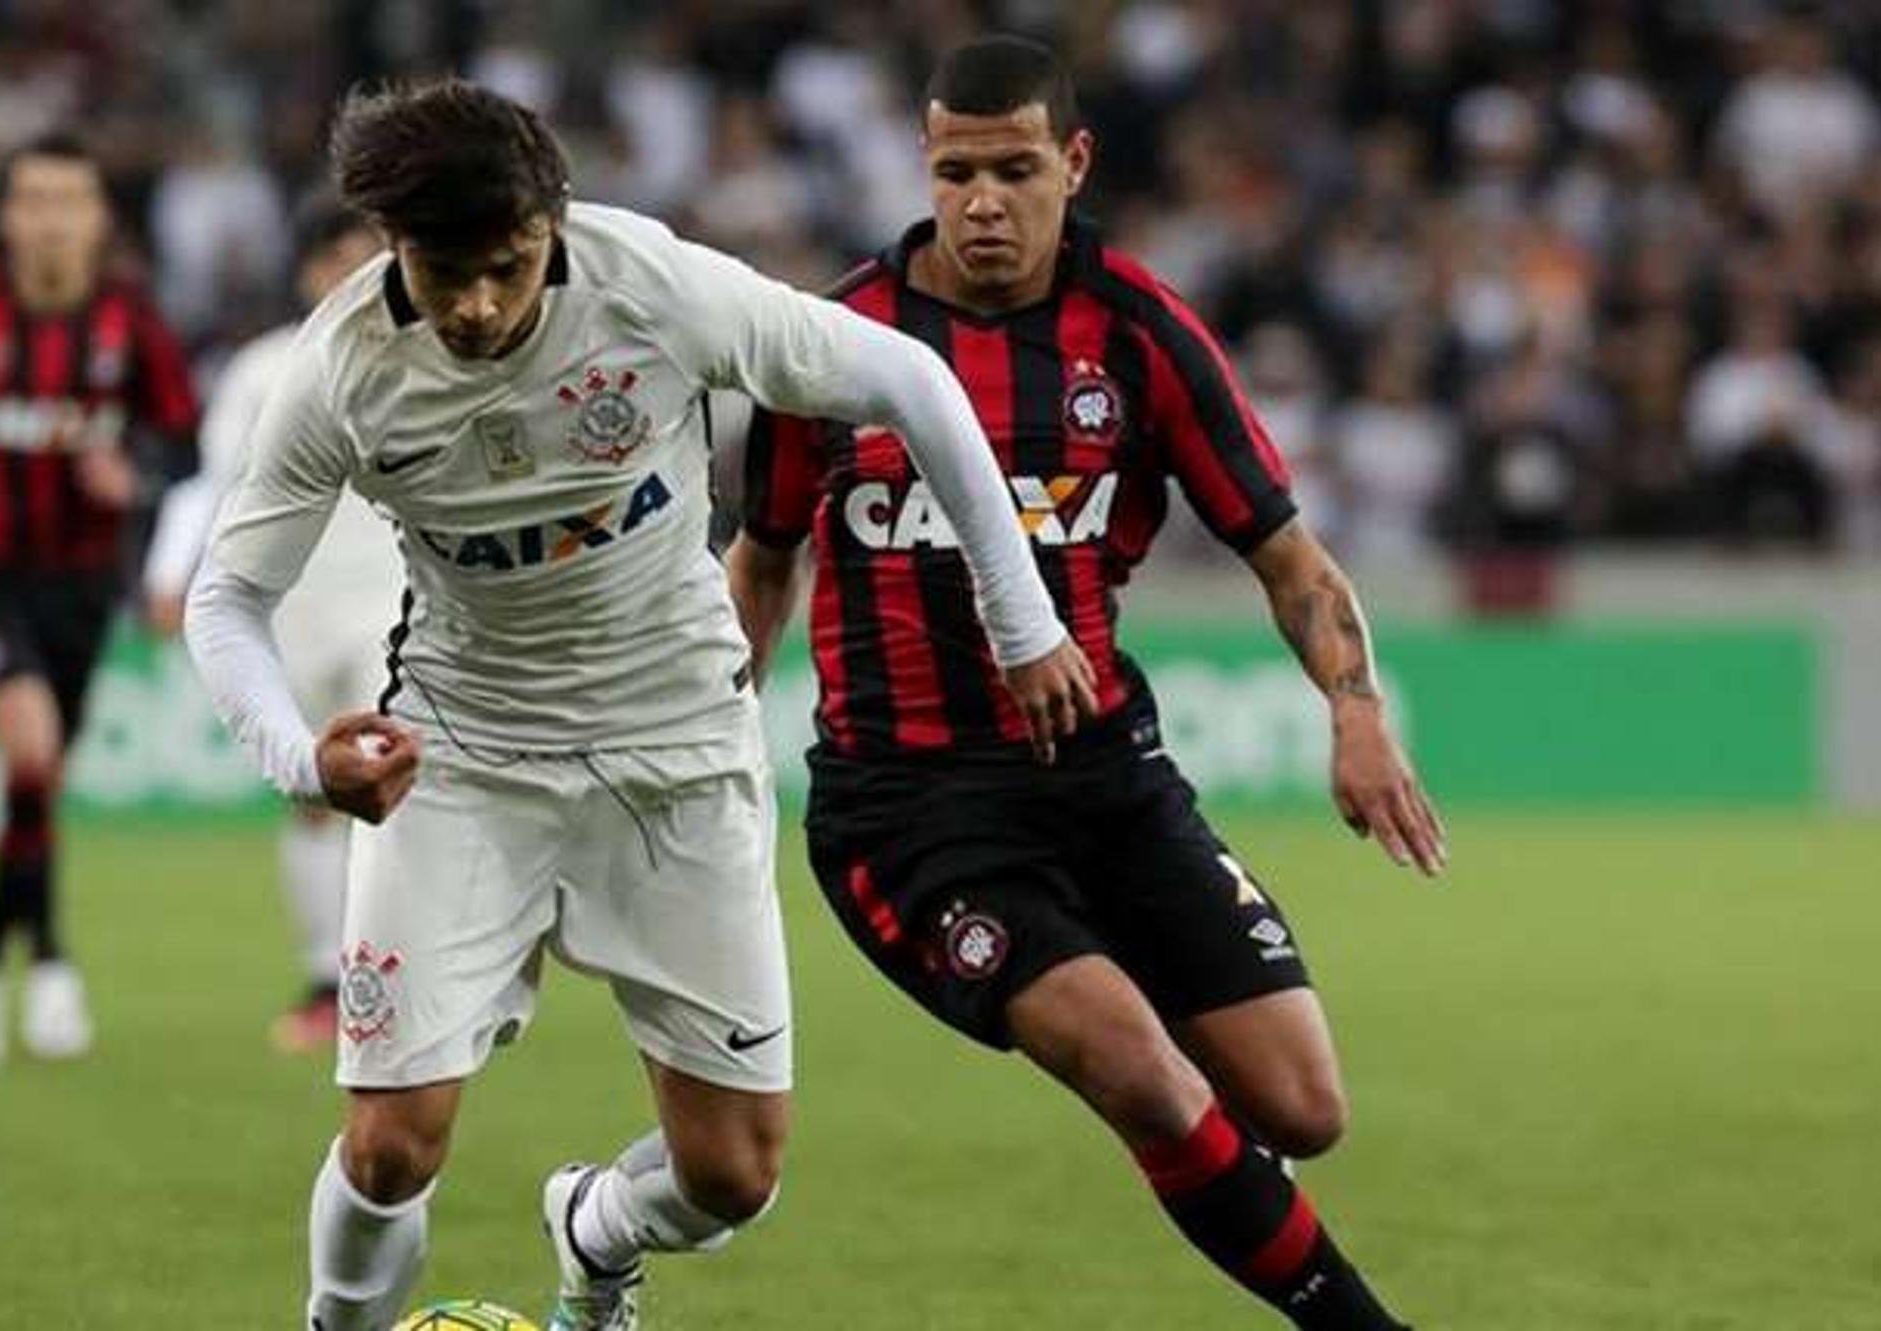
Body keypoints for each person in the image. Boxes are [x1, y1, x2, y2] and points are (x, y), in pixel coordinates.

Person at [181, 79, 1095, 1331]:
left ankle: (593, 1228)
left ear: (551, 220)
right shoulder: (339, 368)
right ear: (395, 247)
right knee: (392, 1146)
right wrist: (300, 758)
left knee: (732, 1174)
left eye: (508, 264)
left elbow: (913, 382)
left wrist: (1023, 617)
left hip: (678, 757)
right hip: (468, 763)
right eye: (447, 272)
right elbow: (224, 597)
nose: (481, 303)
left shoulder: (655, 289)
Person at [731, 37, 1446, 1331]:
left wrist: (1356, 710)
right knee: (1139, 1067)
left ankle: (1223, 1178)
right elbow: (763, 561)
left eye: (1013, 168)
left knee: (1300, 1107)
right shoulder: (833, 345)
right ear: (925, 170)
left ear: (1074, 162)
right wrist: (710, 728)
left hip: (1105, 775)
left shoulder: (1141, 334)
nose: (983, 201)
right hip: (913, 810)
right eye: (955, 171)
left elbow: (1288, 558)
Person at [0, 132, 198, 1067]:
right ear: (8, 214)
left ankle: (34, 957)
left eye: (70, 198)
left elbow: (183, 442)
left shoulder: (126, 322)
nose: (51, 216)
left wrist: (132, 469)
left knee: (42, 777)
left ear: (99, 217)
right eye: (33, 197)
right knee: (30, 746)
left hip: (81, 586)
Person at [143, 192, 394, 1051]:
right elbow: (214, 480)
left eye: (365, 254)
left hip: (393, 611)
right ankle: (328, 976)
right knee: (313, 798)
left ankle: (389, 975)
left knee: (391, 794)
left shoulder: (427, 361)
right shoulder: (263, 369)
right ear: (306, 270)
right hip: (290, 612)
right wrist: (171, 570)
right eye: (333, 257)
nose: (348, 273)